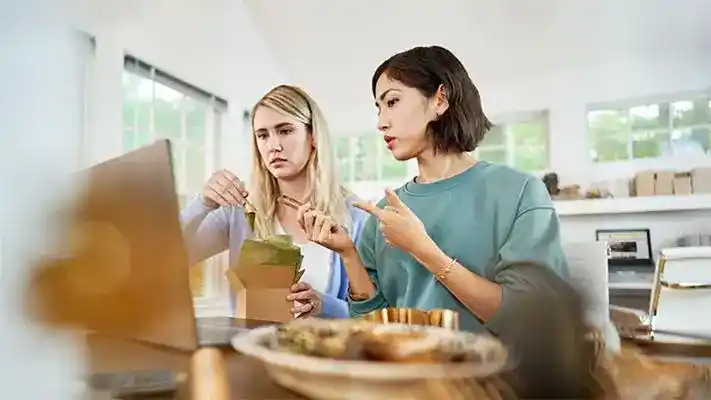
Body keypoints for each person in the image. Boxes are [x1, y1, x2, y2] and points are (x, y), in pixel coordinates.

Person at [295, 45, 569, 333]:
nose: (380, 122)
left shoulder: (520, 192)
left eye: (392, 102)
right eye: (378, 108)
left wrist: (423, 249)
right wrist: (348, 253)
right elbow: (373, 328)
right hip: (406, 373)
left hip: (492, 375)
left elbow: (530, 319)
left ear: (440, 99)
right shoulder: (386, 212)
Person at [180, 84, 368, 319]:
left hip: (321, 353)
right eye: (263, 135)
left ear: (313, 137)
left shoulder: (355, 216)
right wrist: (203, 203)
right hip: (250, 351)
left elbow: (374, 312)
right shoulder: (239, 211)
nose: (273, 146)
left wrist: (324, 305)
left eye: (285, 130)